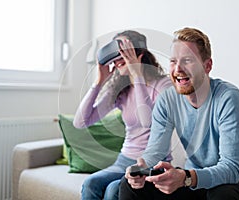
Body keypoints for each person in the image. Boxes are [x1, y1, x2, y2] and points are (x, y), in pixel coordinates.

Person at [119, 27, 239, 200]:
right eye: (173, 61)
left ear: (207, 66)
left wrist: (186, 178)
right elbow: (156, 151)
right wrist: (141, 167)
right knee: (128, 186)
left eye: (187, 60)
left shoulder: (228, 97)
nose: (178, 69)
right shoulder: (167, 99)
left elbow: (231, 169)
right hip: (191, 182)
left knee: (221, 195)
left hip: (234, 185)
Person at [73, 30, 172, 200]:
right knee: (91, 184)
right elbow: (80, 122)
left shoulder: (164, 85)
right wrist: (99, 81)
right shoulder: (121, 89)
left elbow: (147, 121)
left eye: (123, 54)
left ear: (139, 54)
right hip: (124, 160)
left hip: (152, 163)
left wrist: (137, 75)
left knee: (113, 190)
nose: (117, 60)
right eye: (115, 54)